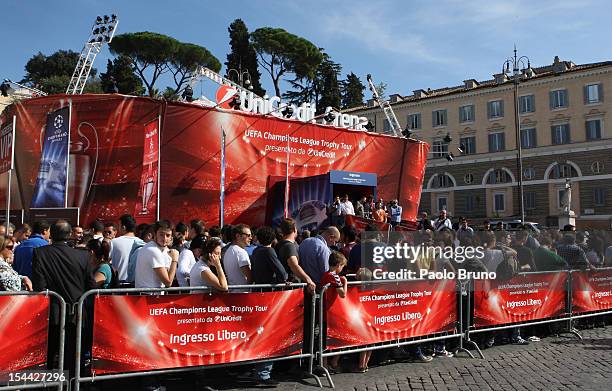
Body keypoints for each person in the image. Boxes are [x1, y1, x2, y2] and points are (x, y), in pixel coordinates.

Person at [32, 220, 97, 373]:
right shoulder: (83, 256)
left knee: (48, 354)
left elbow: (39, 286)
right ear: (69, 235)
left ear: (51, 234)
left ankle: (50, 384)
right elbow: (91, 285)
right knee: (74, 356)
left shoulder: (40, 253)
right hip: (77, 314)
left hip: (52, 313)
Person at [320, 251, 348, 372]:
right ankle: (330, 364)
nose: (342, 269)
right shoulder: (334, 276)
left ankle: (325, 364)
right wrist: (345, 282)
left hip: (325, 311)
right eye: (342, 266)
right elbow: (343, 294)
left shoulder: (325, 274)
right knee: (331, 339)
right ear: (338, 265)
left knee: (324, 340)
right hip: (329, 313)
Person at [134, 220, 179, 288]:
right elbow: (168, 282)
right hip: (149, 296)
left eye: (168, 235)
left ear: (171, 237)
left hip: (151, 295)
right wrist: (174, 260)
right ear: (155, 234)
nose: (164, 238)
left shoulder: (162, 249)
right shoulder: (153, 251)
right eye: (161, 234)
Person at [110, 214, 141, 283]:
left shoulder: (114, 242)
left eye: (119, 226)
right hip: (136, 286)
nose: (118, 228)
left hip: (119, 284)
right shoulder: (141, 243)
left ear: (123, 227)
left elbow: (106, 260)